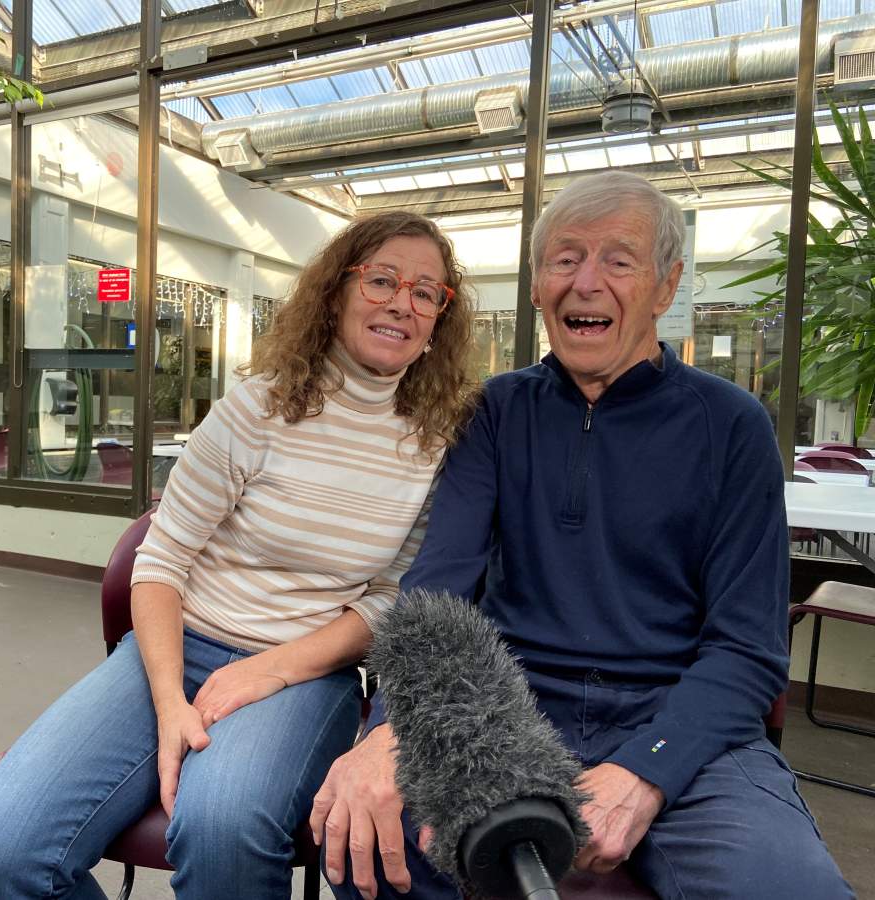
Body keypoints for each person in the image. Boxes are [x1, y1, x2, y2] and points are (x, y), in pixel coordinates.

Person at [311, 172, 854, 900]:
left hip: (680, 716)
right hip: (506, 707)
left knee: (784, 886)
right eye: (564, 259)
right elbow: (436, 590)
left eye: (618, 261)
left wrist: (645, 771)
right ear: (536, 287)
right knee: (375, 848)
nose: (586, 282)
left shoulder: (733, 426)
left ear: (666, 288)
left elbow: (748, 650)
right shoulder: (496, 411)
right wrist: (390, 730)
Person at [0, 211, 476, 900]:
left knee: (222, 831)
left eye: (425, 292)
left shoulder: (439, 444)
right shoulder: (255, 409)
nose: (401, 303)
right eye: (381, 279)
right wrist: (171, 703)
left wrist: (272, 669)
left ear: (440, 317)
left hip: (304, 673)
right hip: (175, 649)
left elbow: (389, 599)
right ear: (338, 291)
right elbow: (162, 559)